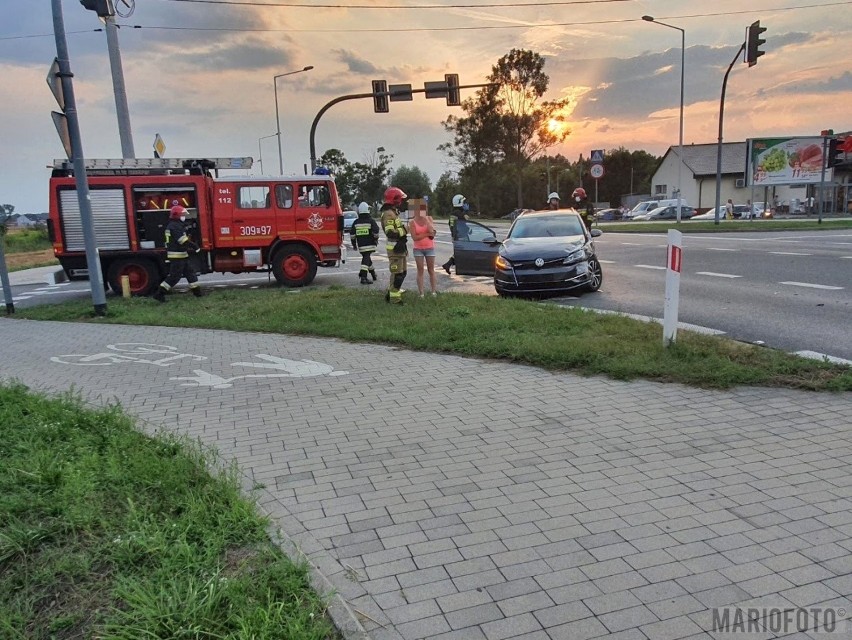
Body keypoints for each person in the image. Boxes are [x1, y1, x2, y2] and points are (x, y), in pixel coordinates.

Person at [152, 205, 202, 302]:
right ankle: (159, 294)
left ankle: (198, 294)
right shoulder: (175, 226)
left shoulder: (176, 225)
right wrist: (195, 246)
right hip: (177, 256)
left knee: (190, 273)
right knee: (174, 277)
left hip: (181, 254)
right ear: (177, 216)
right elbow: (182, 241)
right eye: (182, 215)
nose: (184, 216)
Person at [380, 187, 409, 304]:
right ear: (394, 200)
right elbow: (390, 232)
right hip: (394, 250)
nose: (401, 201)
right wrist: (405, 230)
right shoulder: (388, 214)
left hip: (400, 248)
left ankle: (391, 293)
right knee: (398, 274)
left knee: (402, 273)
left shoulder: (393, 212)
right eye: (399, 199)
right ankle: (395, 299)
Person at [408, 203, 438, 297]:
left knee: (431, 270)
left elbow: (432, 233)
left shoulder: (429, 218)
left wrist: (426, 220)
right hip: (418, 249)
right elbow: (415, 237)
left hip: (429, 248)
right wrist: (426, 235)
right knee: (420, 270)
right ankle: (421, 293)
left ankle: (433, 291)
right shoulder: (412, 222)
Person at [350, 202, 379, 285]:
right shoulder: (371, 221)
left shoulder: (356, 222)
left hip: (361, 245)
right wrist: (375, 239)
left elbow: (352, 235)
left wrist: (354, 244)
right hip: (370, 244)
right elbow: (376, 231)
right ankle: (363, 277)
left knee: (367, 258)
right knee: (366, 258)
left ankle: (373, 274)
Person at [442, 194, 468, 275]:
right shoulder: (460, 214)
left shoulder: (453, 213)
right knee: (463, 252)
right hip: (461, 236)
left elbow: (450, 224)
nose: (465, 204)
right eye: (463, 202)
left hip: (455, 236)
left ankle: (448, 265)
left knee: (459, 252)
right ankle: (462, 268)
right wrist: (465, 213)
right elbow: (465, 223)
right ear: (459, 202)